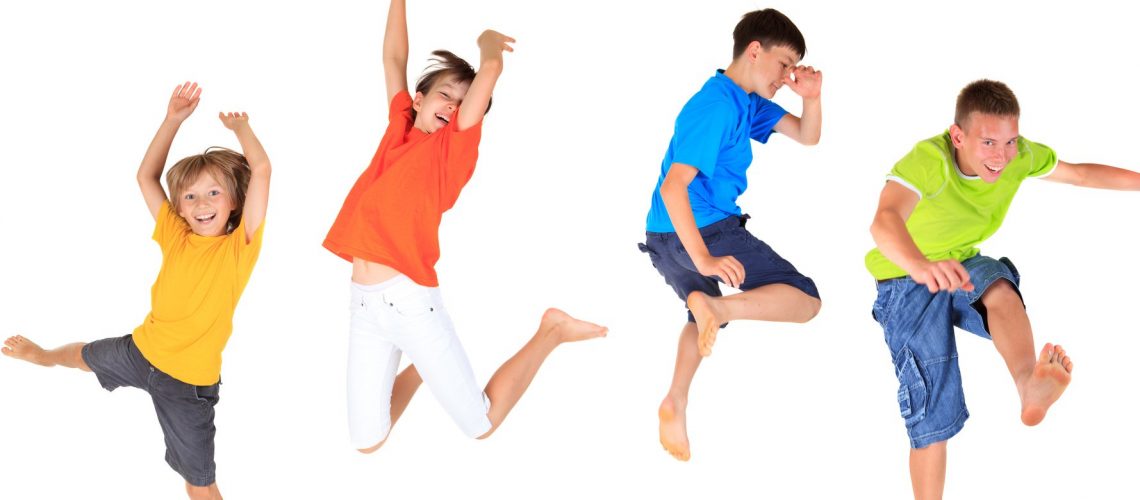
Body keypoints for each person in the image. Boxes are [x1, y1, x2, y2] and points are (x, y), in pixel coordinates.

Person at [323, 0, 606, 453]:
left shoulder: (450, 152)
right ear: (418, 100)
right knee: (368, 441)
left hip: (411, 301)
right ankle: (424, 365)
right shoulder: (398, 128)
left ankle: (551, 330)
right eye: (444, 97)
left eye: (465, 103)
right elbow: (393, 58)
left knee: (481, 423)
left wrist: (488, 47)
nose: (453, 108)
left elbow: (489, 72)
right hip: (364, 307)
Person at [867, 78, 1140, 500]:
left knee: (999, 285)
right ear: (958, 136)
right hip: (903, 277)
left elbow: (1082, 174)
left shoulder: (1020, 156)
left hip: (961, 262)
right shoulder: (928, 161)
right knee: (934, 401)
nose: (1002, 156)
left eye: (1010, 141)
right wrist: (921, 266)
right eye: (989, 143)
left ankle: (1029, 382)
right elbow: (884, 221)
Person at [2, 82, 270, 500]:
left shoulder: (240, 248)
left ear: (236, 200)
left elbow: (264, 170)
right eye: (191, 195)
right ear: (179, 207)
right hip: (141, 351)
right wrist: (172, 120)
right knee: (82, 356)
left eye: (214, 193)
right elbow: (145, 176)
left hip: (187, 385)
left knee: (199, 482)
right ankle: (44, 356)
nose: (202, 203)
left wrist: (243, 131)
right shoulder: (175, 234)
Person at [638, 8, 823, 461]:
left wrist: (812, 98)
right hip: (702, 229)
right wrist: (703, 259)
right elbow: (673, 185)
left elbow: (806, 135)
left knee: (698, 315)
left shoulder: (746, 101)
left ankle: (675, 401)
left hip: (665, 238)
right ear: (754, 51)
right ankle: (716, 305)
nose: (786, 77)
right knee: (805, 299)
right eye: (783, 65)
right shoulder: (717, 105)